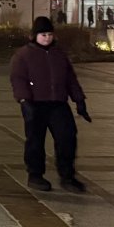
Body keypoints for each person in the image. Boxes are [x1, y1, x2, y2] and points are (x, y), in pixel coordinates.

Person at [11, 16, 91, 194]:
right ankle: (35, 175)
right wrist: (24, 101)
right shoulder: (23, 55)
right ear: (34, 36)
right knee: (35, 141)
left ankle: (67, 176)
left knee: (67, 138)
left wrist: (79, 100)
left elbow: (70, 78)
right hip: (35, 104)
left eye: (49, 34)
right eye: (43, 34)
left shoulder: (58, 54)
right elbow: (18, 79)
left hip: (58, 104)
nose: (47, 38)